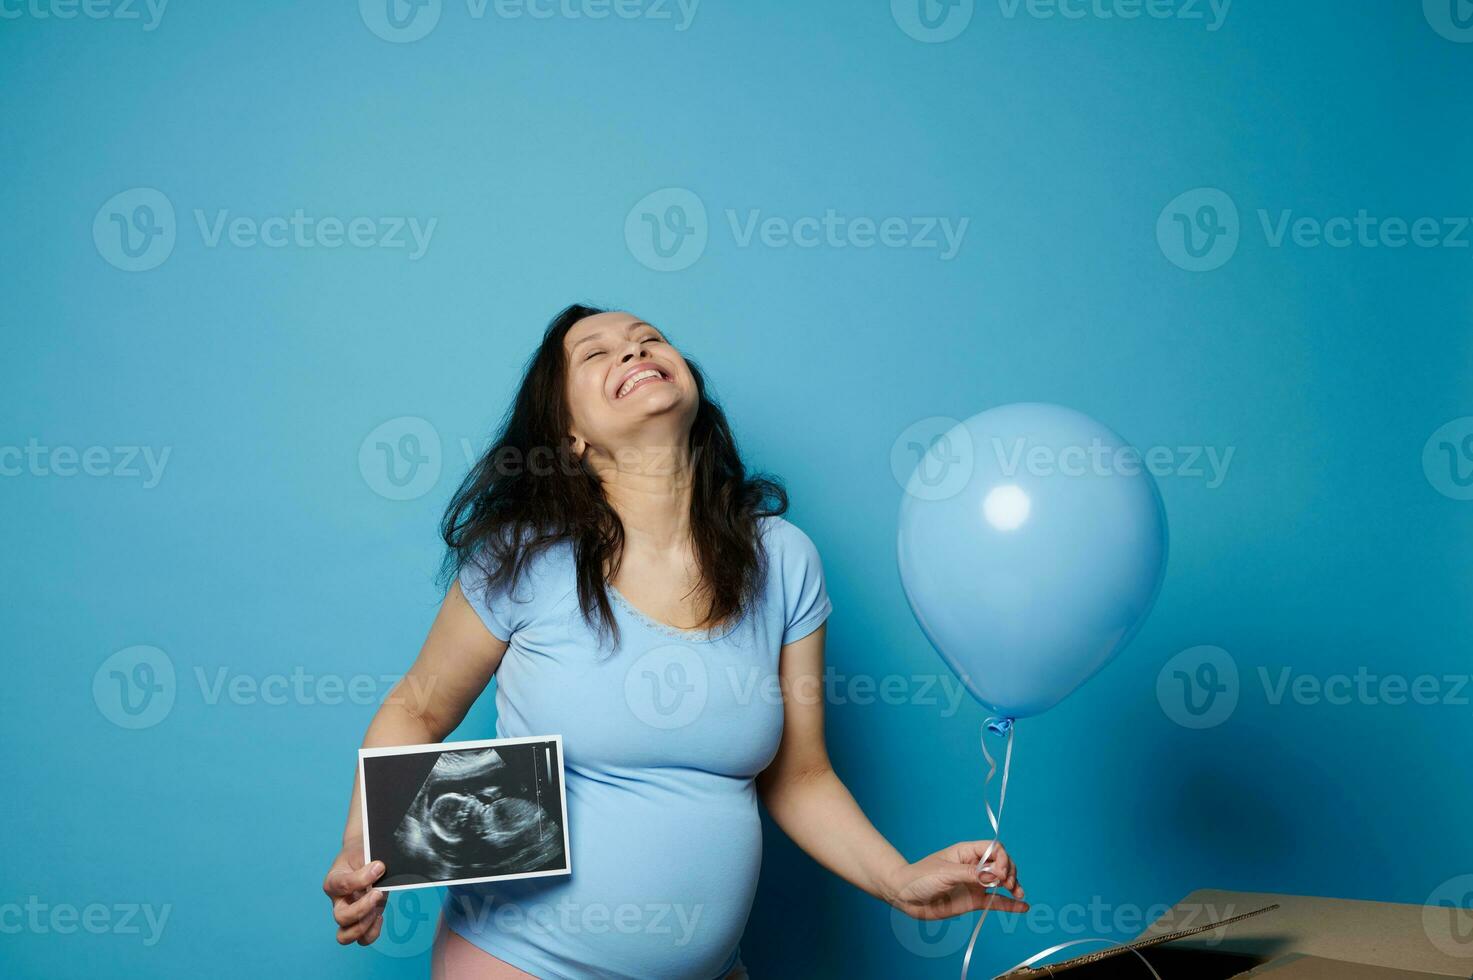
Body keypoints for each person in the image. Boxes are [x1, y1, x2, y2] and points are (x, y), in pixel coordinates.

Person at [322, 304, 1027, 978]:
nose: (633, 350)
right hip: (516, 962)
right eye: (595, 355)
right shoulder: (523, 560)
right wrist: (365, 844)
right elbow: (417, 709)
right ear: (570, 436)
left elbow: (799, 774)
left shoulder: (782, 559)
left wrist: (899, 882)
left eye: (648, 338)